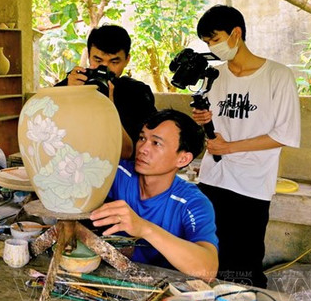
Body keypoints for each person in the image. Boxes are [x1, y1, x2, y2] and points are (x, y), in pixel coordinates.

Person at [191, 5, 300, 288]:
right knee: (207, 255)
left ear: (236, 33)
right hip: (212, 178)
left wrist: (230, 148)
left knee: (243, 266)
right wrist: (204, 120)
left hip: (252, 184)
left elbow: (284, 134)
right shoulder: (215, 76)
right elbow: (216, 126)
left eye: (215, 39)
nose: (212, 47)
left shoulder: (277, 75)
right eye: (207, 42)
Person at [90, 109, 218, 280]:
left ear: (183, 159)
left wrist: (144, 228)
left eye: (156, 143)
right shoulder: (117, 172)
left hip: (162, 287)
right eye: (142, 138)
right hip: (113, 276)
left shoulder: (192, 203)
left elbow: (208, 270)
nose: (143, 148)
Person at [56, 25, 156, 158]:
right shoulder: (72, 85)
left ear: (127, 60)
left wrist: (109, 107)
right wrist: (69, 95)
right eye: (98, 60)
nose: (104, 68)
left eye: (114, 62)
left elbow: (134, 150)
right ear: (89, 56)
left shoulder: (137, 93)